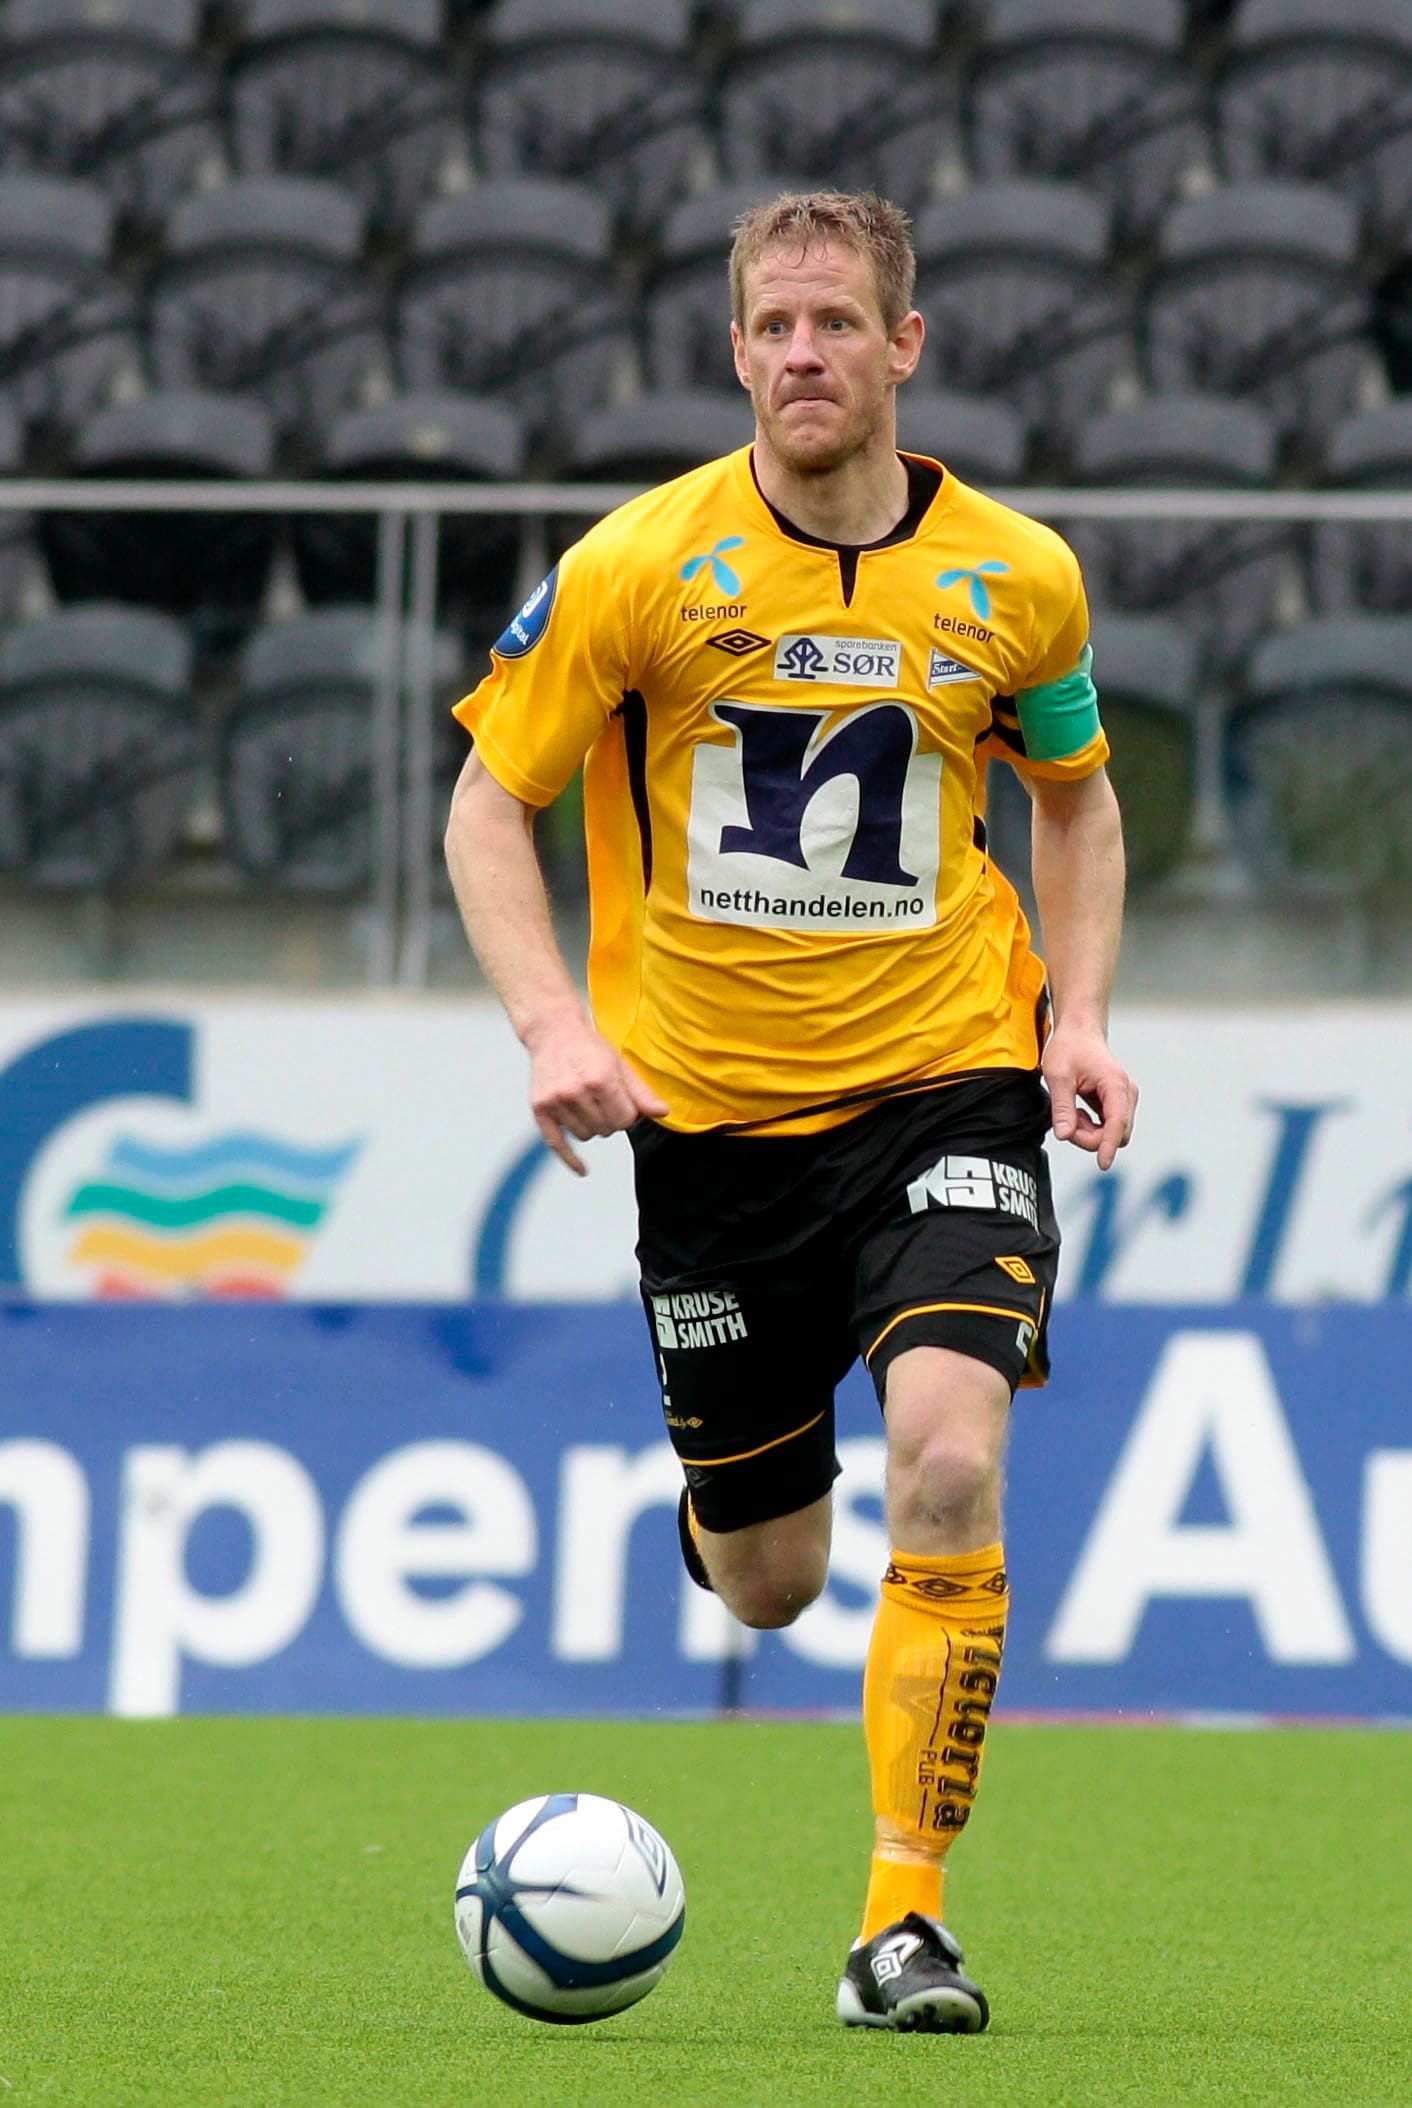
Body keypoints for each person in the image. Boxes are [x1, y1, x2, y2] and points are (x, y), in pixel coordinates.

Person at [444, 188, 1137, 2035]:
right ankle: (735, 1503)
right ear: (735, 347)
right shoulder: (639, 566)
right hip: (716, 1138)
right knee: (769, 1582)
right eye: (773, 325)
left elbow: (1075, 799)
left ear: (906, 346)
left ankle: (902, 1924)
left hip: (946, 1085)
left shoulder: (1020, 577)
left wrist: (1078, 1016)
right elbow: (487, 806)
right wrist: (550, 1026)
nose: (803, 354)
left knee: (953, 1462)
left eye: (837, 323)